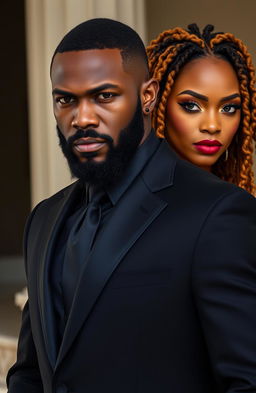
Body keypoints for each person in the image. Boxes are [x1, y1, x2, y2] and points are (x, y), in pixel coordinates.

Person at [7, 18, 256, 393]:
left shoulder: (218, 214)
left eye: (104, 96)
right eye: (65, 99)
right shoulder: (44, 219)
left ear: (148, 95)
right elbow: (30, 373)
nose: (83, 118)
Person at [147, 24, 256, 195]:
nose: (212, 126)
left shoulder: (237, 210)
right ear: (157, 105)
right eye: (191, 106)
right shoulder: (117, 204)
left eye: (228, 108)